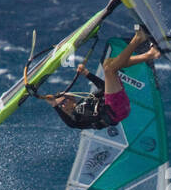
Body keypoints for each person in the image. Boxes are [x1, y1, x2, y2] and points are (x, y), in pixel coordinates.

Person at [30, 28, 160, 130]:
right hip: (114, 110)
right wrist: (55, 106)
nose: (63, 104)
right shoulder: (77, 118)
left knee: (109, 63)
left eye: (63, 102)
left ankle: (150, 54)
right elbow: (70, 123)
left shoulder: (87, 100)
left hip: (118, 106)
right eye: (62, 105)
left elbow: (104, 87)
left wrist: (87, 74)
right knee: (109, 69)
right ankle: (138, 38)